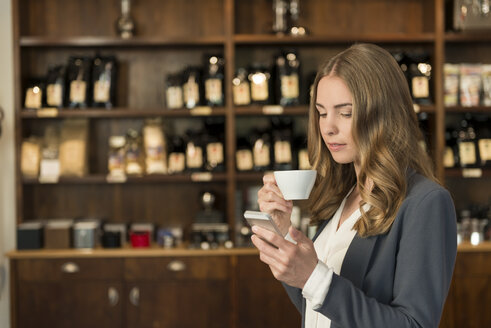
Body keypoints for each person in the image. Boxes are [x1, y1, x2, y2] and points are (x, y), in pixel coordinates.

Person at [251, 43, 457, 328]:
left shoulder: (426, 202)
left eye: (345, 113)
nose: (328, 127)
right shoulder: (339, 195)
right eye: (322, 113)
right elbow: (317, 309)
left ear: (383, 113)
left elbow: (415, 324)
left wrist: (314, 277)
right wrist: (285, 234)